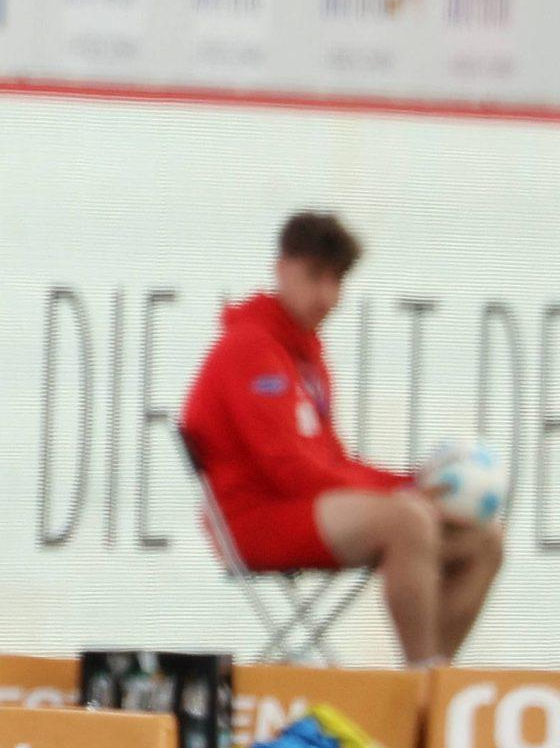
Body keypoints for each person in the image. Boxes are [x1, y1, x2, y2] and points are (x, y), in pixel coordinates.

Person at [181, 212, 503, 664]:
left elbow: (331, 461)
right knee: (407, 521)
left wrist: (409, 482)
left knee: (485, 539)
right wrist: (405, 492)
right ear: (281, 268)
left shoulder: (305, 356)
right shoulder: (251, 349)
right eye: (315, 277)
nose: (327, 296)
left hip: (297, 508)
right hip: (254, 520)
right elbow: (289, 470)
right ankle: (420, 676)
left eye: (337, 282)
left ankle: (435, 682)